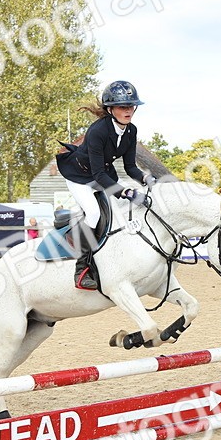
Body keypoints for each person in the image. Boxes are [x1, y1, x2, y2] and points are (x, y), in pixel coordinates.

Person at [55, 80, 156, 290]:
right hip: (80, 177)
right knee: (93, 213)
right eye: (123, 107)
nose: (128, 111)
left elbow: (130, 167)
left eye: (131, 106)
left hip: (102, 174)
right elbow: (98, 175)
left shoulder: (131, 131)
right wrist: (125, 192)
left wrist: (146, 179)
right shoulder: (97, 131)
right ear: (110, 109)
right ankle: (81, 269)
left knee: (127, 206)